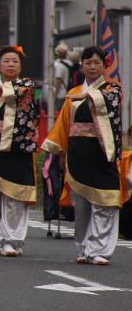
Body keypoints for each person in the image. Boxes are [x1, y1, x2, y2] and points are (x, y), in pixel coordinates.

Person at [42, 46, 122, 265]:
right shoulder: (73, 94)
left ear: (104, 65)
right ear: (82, 66)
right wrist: (59, 149)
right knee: (82, 204)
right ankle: (84, 246)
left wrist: (86, 95)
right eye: (88, 62)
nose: (93, 66)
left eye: (96, 62)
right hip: (78, 152)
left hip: (102, 151)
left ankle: (100, 249)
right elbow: (64, 124)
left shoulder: (112, 90)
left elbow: (108, 108)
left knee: (104, 201)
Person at [0, 45, 38, 258]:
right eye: (7, 61)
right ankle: (4, 239)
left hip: (19, 146)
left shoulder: (27, 87)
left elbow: (18, 94)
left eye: (15, 61)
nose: (11, 64)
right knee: (3, 196)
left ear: (20, 65)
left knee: (18, 194)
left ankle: (15, 239)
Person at [53, 43, 72, 111]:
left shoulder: (59, 66)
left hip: (60, 95)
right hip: (66, 92)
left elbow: (58, 81)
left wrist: (54, 96)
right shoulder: (69, 63)